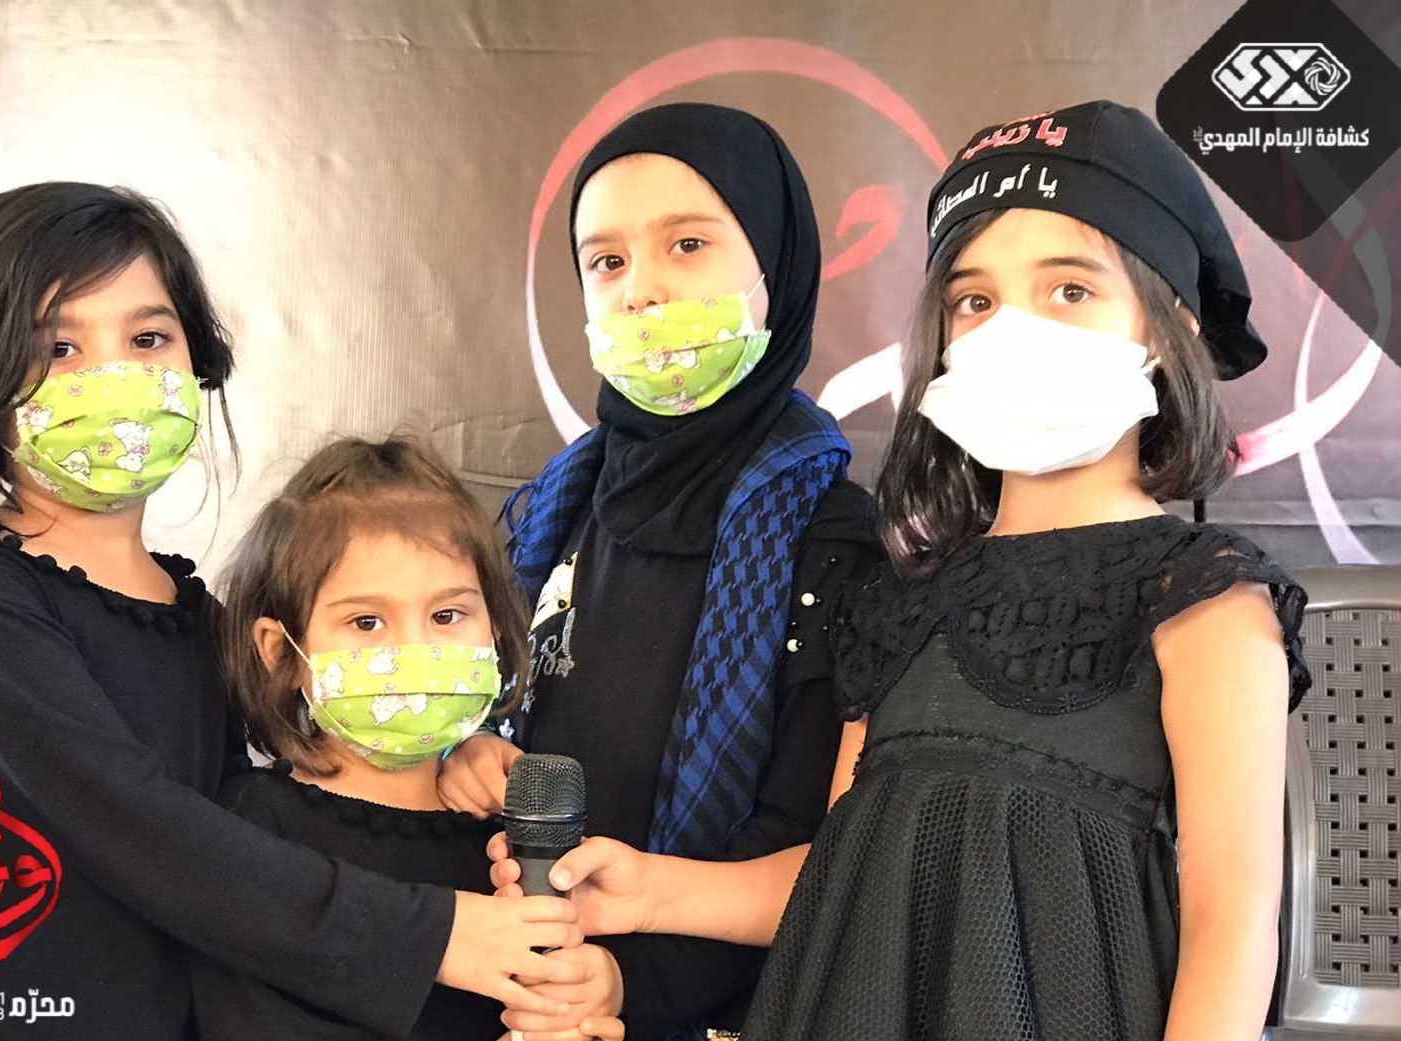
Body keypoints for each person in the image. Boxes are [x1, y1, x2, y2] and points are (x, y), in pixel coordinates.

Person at [489, 100, 1312, 1041]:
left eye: (1069, 290)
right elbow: (836, 871)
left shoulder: (1203, 600)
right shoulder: (900, 593)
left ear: (1168, 328)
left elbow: (1232, 924)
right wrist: (651, 890)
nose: (1012, 328)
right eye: (975, 301)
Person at [0, 182, 581, 1040]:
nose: (115, 377)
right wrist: (436, 936)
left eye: (147, 338)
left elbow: (334, 742)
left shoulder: (198, 620)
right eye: (59, 347)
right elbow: (147, 832)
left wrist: (453, 752)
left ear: (195, 359)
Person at [438, 102, 880, 1039]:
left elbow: (818, 852)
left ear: (774, 265)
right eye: (607, 261)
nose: (642, 290)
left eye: (687, 244)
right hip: (513, 995)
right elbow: (481, 719)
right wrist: (461, 754)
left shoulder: (835, 539)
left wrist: (625, 983)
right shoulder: (554, 508)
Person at [190, 435, 622, 1041]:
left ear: (496, 629)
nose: (415, 650)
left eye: (447, 616)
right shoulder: (252, 829)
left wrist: (598, 988)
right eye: (366, 622)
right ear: (280, 651)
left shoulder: (513, 836)